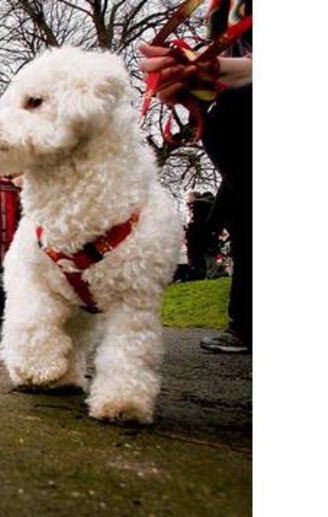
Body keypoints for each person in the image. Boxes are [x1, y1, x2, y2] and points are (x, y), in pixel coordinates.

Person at [139, 0, 251, 353]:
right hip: (234, 118)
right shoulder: (218, 8)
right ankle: (246, 323)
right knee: (243, 217)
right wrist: (190, 78)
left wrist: (228, 69)